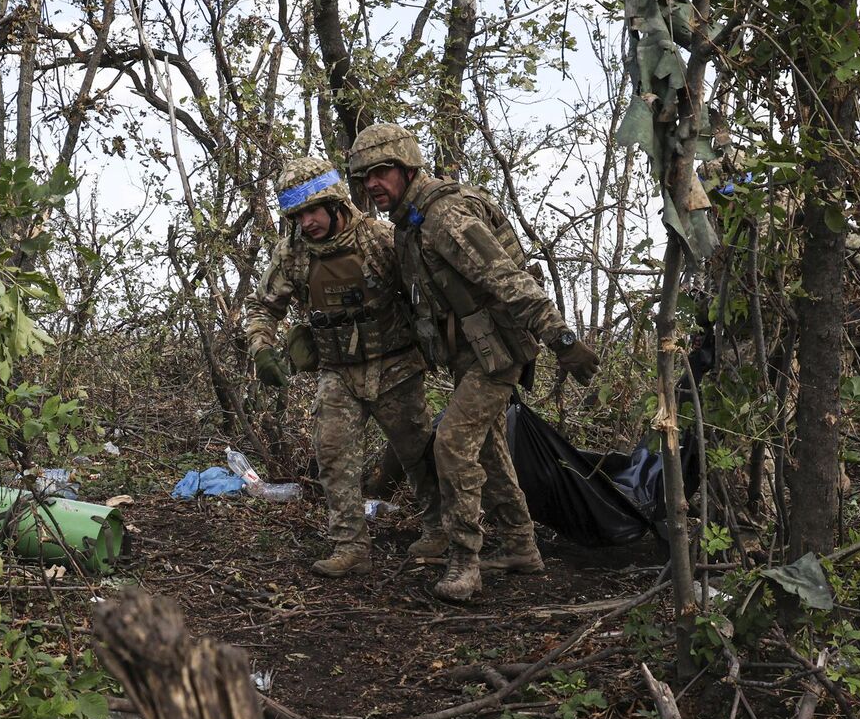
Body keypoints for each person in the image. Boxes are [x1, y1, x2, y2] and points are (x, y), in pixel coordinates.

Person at [345, 124, 600, 602]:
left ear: (407, 167)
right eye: (364, 178)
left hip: (497, 350)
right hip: (470, 350)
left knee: (452, 443)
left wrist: (562, 338)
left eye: (381, 172)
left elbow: (508, 280)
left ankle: (465, 560)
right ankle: (522, 547)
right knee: (488, 448)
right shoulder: (408, 223)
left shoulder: (445, 216)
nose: (372, 185)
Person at [241, 156, 440, 577]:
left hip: (395, 365)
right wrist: (261, 347)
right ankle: (350, 546)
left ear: (334, 204)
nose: (308, 222)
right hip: (338, 371)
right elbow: (262, 306)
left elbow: (425, 290)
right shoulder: (293, 254)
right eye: (298, 214)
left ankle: (439, 532)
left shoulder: (378, 238)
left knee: (418, 453)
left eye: (314, 211)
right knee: (332, 454)